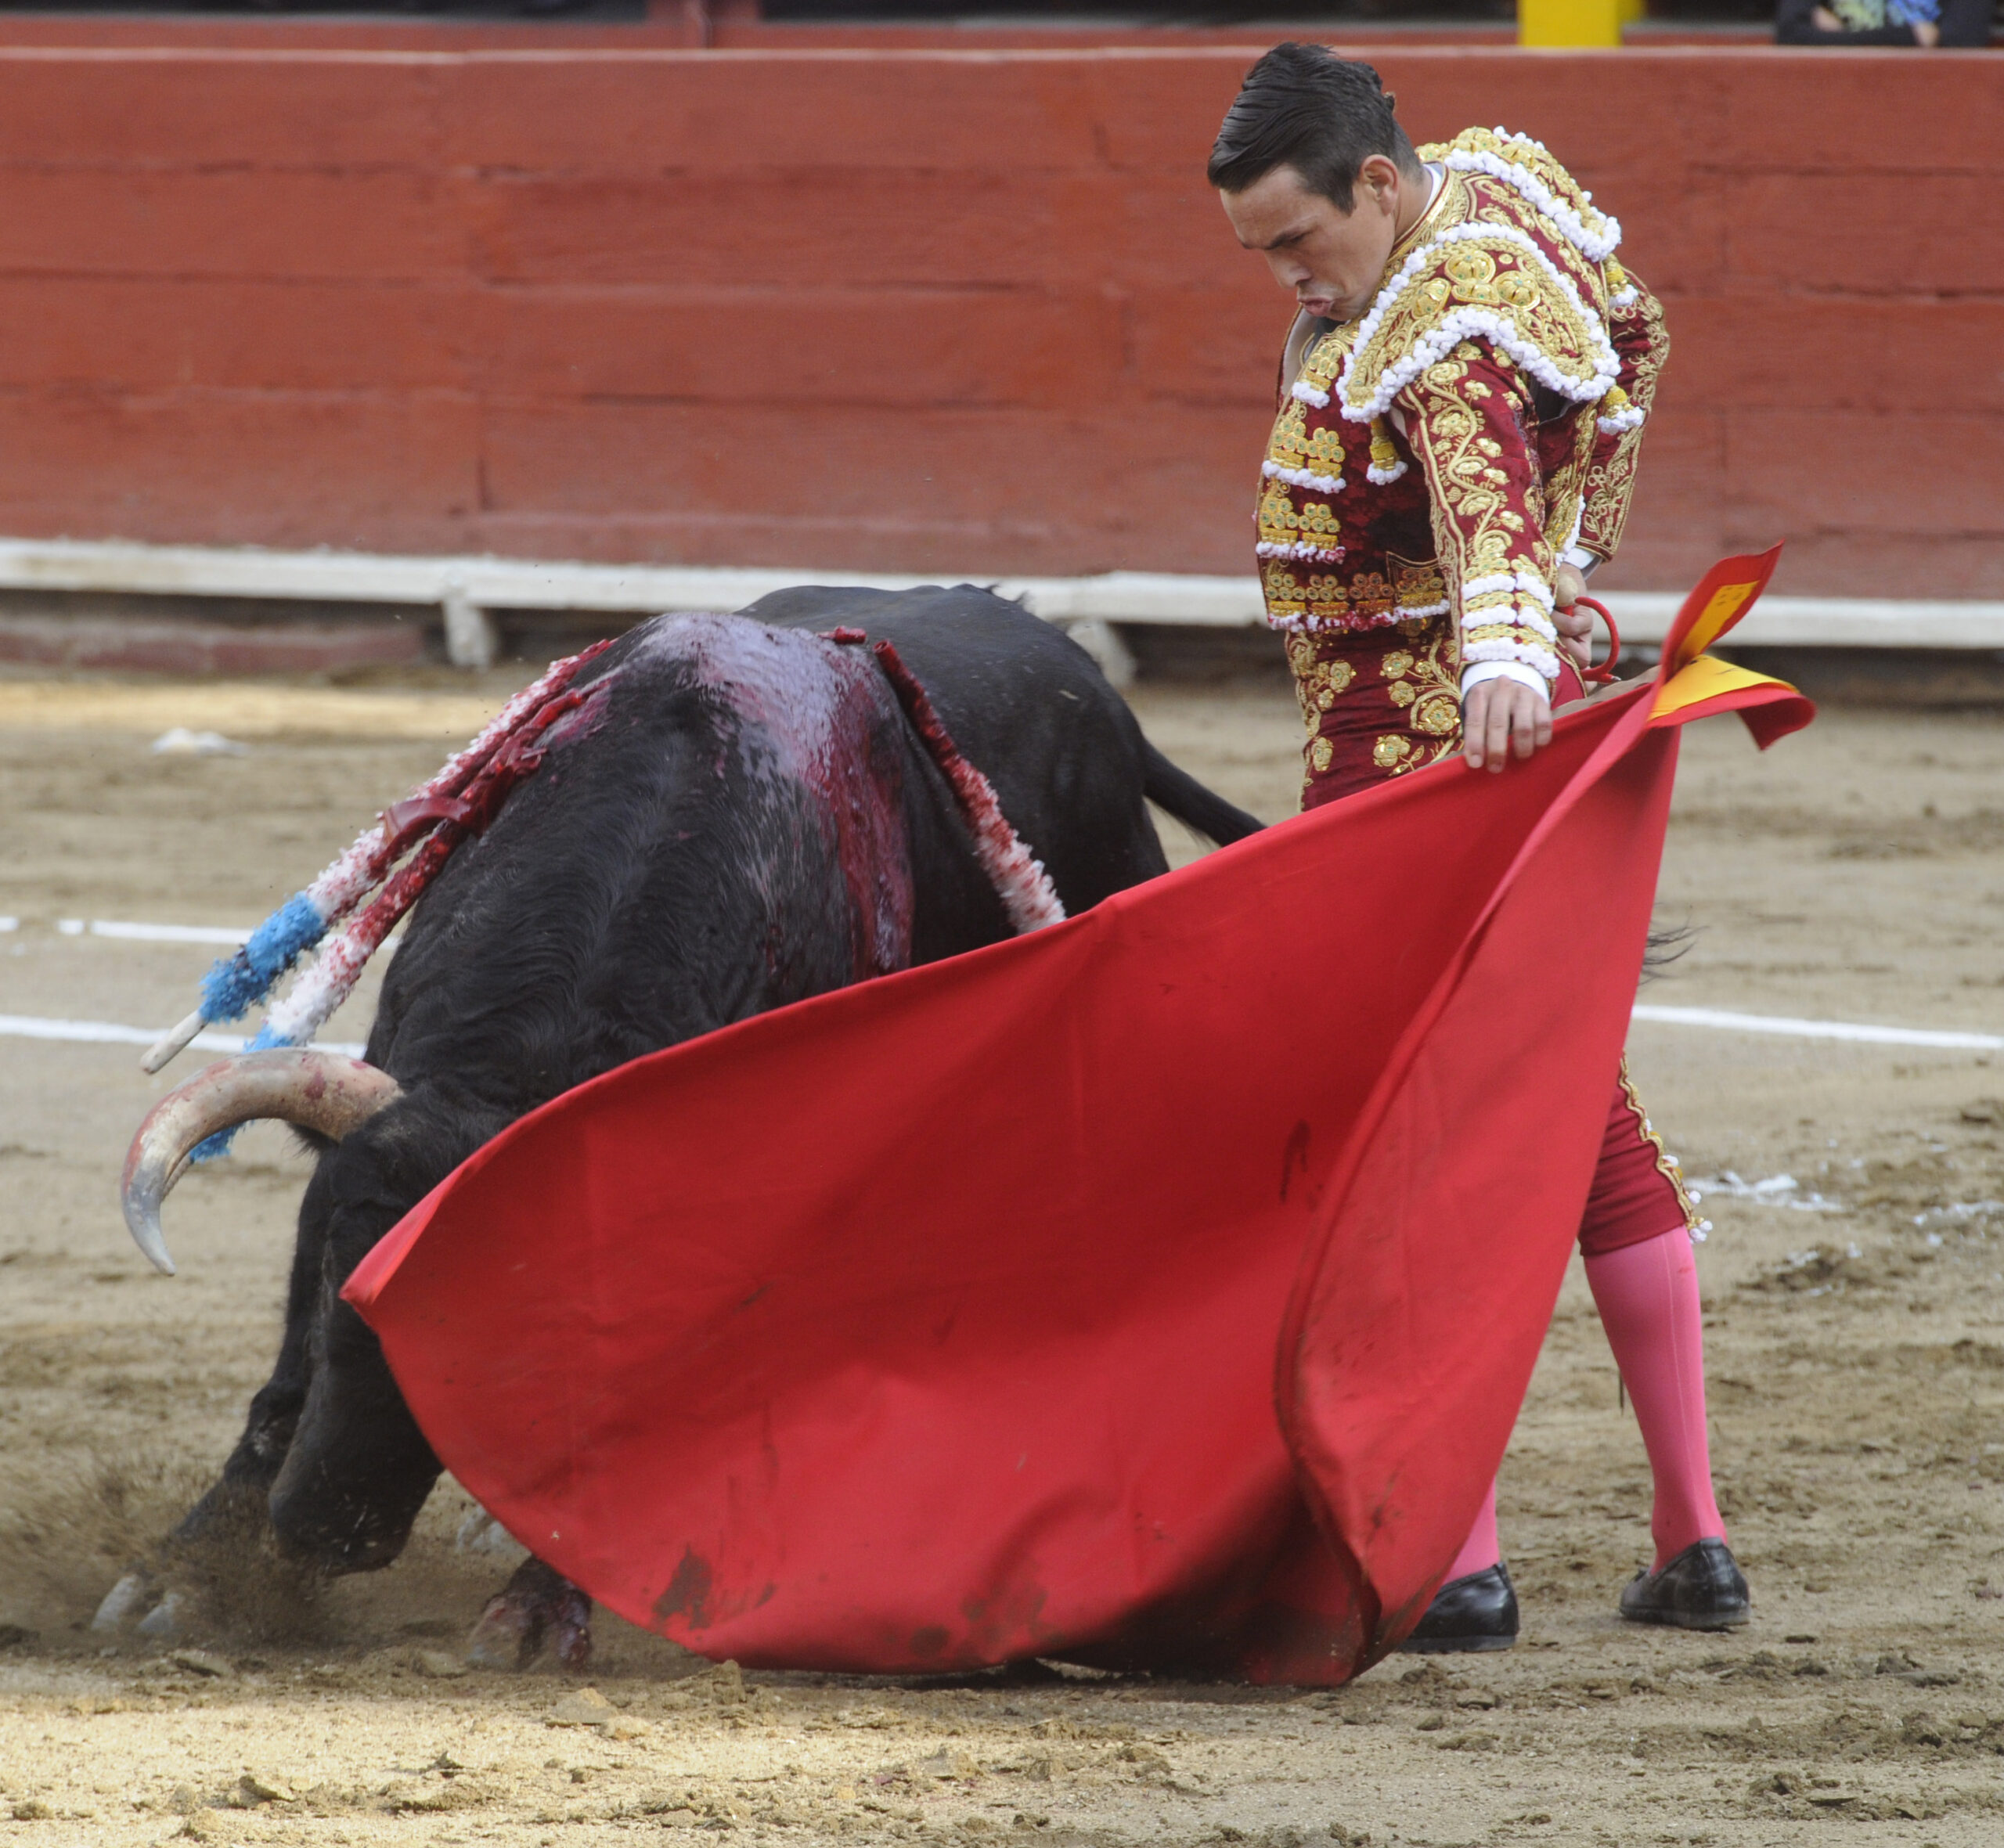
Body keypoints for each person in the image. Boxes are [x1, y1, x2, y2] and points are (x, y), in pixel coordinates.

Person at [1209, 43, 1750, 1648]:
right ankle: (1689, 1534)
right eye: (1262, 254)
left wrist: (1513, 644)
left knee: (1420, 1131)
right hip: (1487, 738)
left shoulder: (1437, 310)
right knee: (1573, 1103)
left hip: (1413, 760)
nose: (1290, 281)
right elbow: (1629, 330)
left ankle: (1461, 1551)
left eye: (1298, 241)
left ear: (1373, 186)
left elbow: (1480, 497)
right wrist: (1580, 572)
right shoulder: (1481, 200)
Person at [1775, 0, 1993, 46]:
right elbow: (1790, 33)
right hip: (1829, 104)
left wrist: (1836, 39)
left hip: (1920, 116)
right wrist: (1909, 38)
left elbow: (1962, 46)